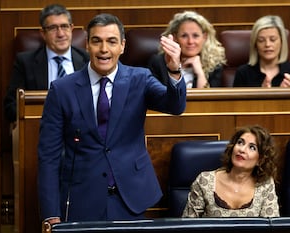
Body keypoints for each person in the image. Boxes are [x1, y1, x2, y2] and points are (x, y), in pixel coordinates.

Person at [37, 13, 186, 225]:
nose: (104, 49)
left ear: (123, 46)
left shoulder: (140, 79)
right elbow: (48, 157)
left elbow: (175, 106)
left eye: (112, 41)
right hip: (82, 198)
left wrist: (173, 69)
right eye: (97, 41)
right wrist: (51, 212)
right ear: (87, 44)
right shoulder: (62, 90)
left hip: (131, 197)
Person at [3, 4, 90, 124]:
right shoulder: (26, 62)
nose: (60, 34)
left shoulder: (88, 60)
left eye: (64, 26)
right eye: (53, 28)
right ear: (43, 33)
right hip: (42, 129)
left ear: (72, 28)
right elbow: (11, 106)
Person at [182, 125, 280, 217]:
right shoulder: (204, 181)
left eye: (252, 147)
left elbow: (271, 227)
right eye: (240, 142)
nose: (242, 149)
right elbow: (187, 226)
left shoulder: (265, 185)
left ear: (261, 160)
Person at [148, 10, 226, 88]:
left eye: (195, 35)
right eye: (184, 36)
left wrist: (200, 74)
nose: (190, 41)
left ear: (204, 37)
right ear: (175, 38)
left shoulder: (215, 65)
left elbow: (209, 99)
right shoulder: (158, 63)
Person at [233, 15, 290, 87]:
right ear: (255, 44)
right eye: (261, 40)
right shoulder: (243, 73)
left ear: (282, 42)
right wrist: (262, 93)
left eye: (272, 39)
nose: (267, 44)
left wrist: (285, 94)